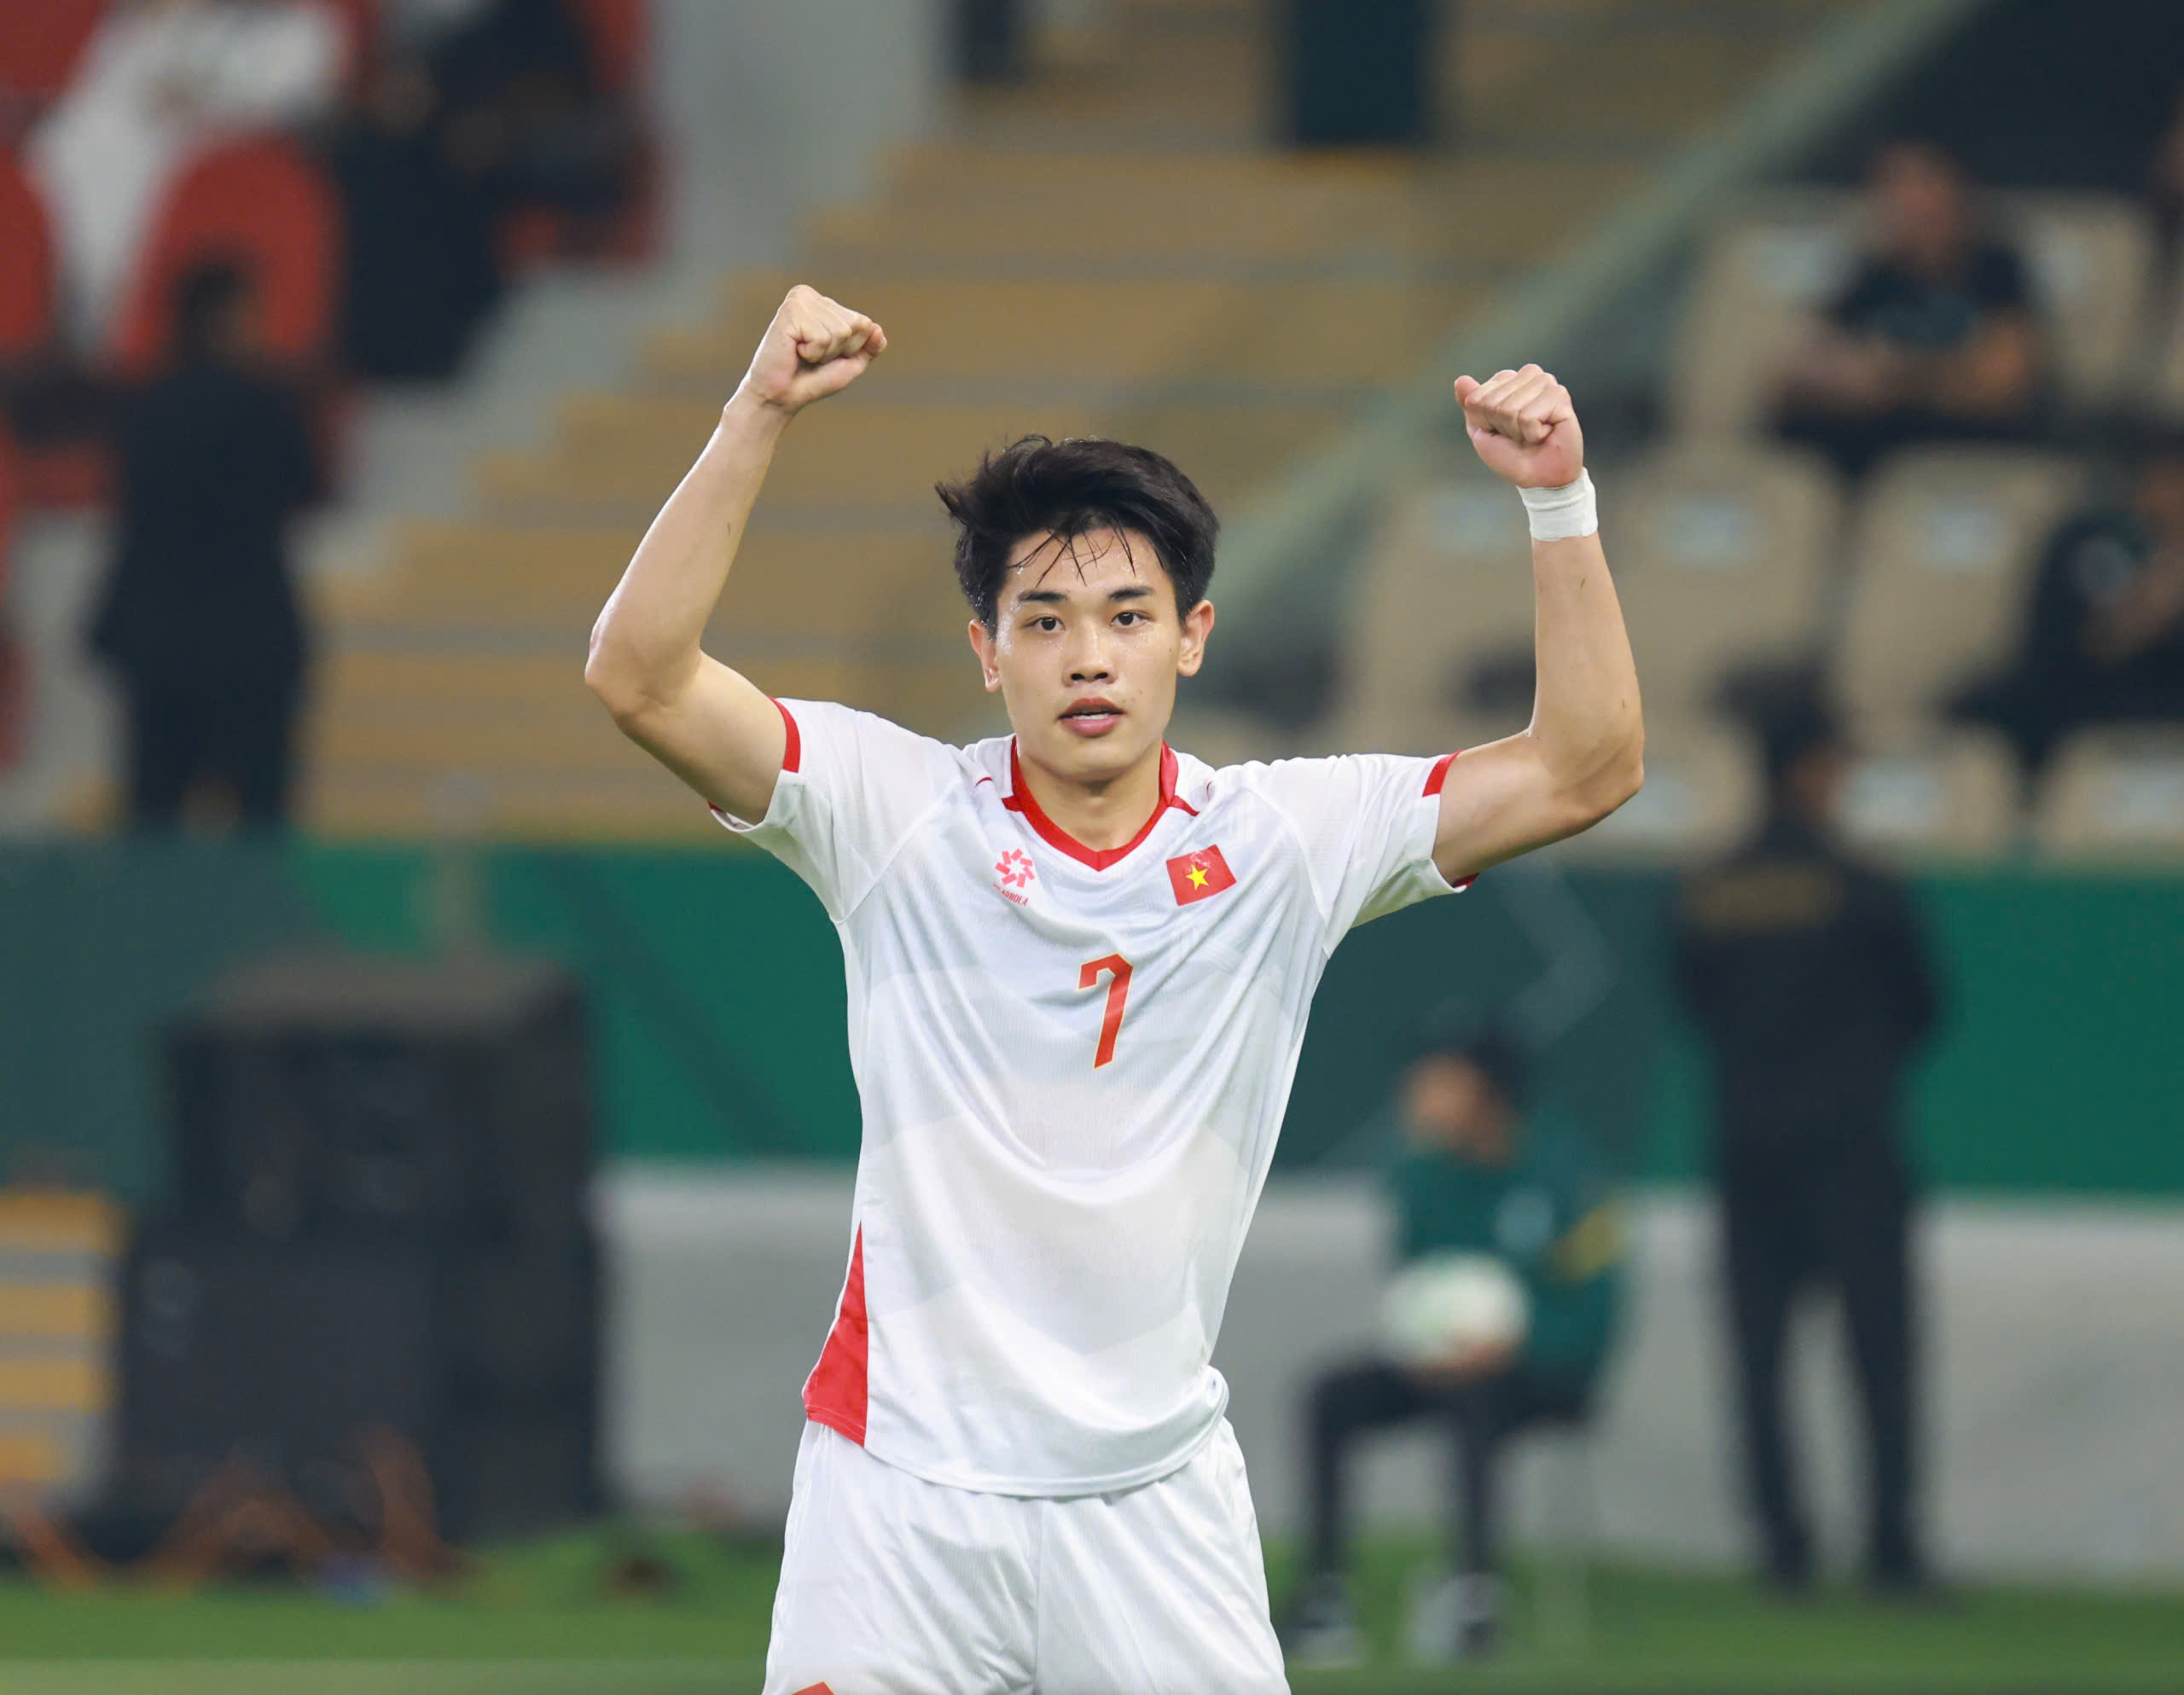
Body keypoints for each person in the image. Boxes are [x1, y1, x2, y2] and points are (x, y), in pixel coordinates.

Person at [584, 284, 1644, 1694]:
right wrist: (755, 410)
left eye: (1127, 614)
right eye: (1046, 618)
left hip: (1152, 1508)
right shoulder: (893, 812)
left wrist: (1560, 501)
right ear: (988, 649)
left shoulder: (1282, 843)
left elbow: (1587, 766)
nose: (1089, 652)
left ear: (1191, 635)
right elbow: (640, 676)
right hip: (899, 1497)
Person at [1672, 690, 1941, 1596]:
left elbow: (1693, 1002)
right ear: (1813, 770)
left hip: (1748, 1144)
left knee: (1760, 1358)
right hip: (1851, 1147)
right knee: (1879, 1355)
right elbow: (1924, 1006)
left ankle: (1782, 1547)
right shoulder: (1864, 886)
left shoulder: (1710, 888)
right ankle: (1891, 1547)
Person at [1282, 1019, 1620, 1667]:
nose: (1418, 1092)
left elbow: (1598, 1309)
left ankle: (1472, 1595)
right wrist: (1429, 1343)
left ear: (1487, 1091)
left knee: (1475, 1401)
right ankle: (1324, 1593)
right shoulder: (1419, 1176)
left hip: (1544, 1370)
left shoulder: (1568, 1172)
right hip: (1441, 1366)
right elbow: (1419, 1286)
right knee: (1330, 1396)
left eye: (1439, 1079)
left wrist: (1512, 1343)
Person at [90, 260, 317, 830]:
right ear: (225, 319)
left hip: (159, 638)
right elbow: (307, 487)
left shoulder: (145, 407)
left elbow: (125, 504)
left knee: (153, 824)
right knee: (259, 829)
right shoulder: (266, 405)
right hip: (250, 639)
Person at [25, 0, 344, 354]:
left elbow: (288, 105)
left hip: (209, 185)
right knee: (66, 154)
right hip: (110, 181)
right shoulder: (159, 22)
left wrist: (202, 99)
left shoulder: (302, 29)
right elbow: (85, 111)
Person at [1773, 140, 2043, 481]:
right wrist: (1841, 379)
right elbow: (1801, 367)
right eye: (1890, 185)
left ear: (1954, 187)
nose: (1904, 200)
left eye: (1919, 183)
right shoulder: (1872, 276)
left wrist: (1897, 379)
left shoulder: (1996, 270)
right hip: (1867, 459)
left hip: (1965, 456)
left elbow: (2005, 384)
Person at [1951, 434, 2184, 775]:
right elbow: (2087, 647)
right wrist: (2155, 596)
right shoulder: (2095, 539)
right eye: (2170, 480)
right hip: (2076, 707)